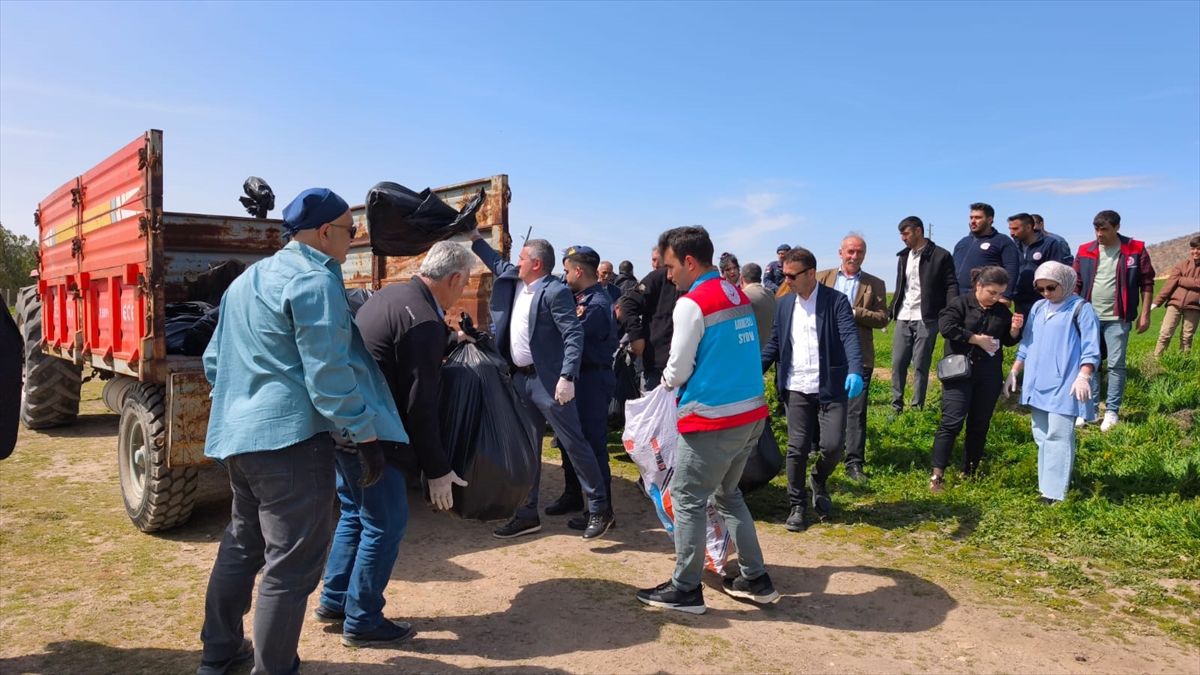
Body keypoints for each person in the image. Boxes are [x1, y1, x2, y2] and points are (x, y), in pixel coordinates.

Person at [198, 188, 410, 674]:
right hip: (291, 444)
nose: (353, 239)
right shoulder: (315, 282)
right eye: (348, 230)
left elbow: (215, 360)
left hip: (241, 438)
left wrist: (245, 402)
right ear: (322, 233)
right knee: (290, 568)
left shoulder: (248, 280)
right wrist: (365, 435)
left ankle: (220, 654)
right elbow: (329, 373)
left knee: (243, 545)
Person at [317, 241, 473, 646]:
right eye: (465, 283)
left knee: (354, 513)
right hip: (376, 438)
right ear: (454, 278)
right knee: (384, 526)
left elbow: (396, 353)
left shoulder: (393, 295)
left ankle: (335, 600)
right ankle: (363, 621)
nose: (463, 291)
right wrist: (437, 468)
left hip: (346, 428)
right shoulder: (423, 319)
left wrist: (450, 340)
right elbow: (420, 405)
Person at [636, 226, 778, 614]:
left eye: (669, 266)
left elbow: (679, 368)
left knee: (686, 498)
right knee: (728, 495)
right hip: (751, 415)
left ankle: (685, 588)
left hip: (713, 419)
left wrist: (663, 386)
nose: (668, 275)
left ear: (689, 262)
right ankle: (755, 578)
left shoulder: (692, 302)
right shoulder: (735, 292)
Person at [467, 229, 614, 539]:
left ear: (535, 264)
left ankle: (600, 508)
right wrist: (474, 238)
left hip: (548, 383)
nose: (514, 263)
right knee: (527, 449)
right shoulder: (516, 279)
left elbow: (573, 334)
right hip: (521, 380)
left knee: (575, 443)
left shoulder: (554, 291)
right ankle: (526, 513)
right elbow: (495, 261)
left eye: (521, 258)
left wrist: (567, 376)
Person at [762, 247, 865, 530]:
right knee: (796, 448)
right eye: (784, 276)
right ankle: (797, 505)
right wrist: (752, 372)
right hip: (795, 386)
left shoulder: (836, 302)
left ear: (810, 274)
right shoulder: (783, 305)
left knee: (833, 446)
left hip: (829, 386)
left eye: (792, 276)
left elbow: (849, 337)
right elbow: (774, 344)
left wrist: (855, 370)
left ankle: (818, 479)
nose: (787, 281)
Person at [1005, 261, 1100, 504]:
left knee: (1059, 434)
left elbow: (1091, 347)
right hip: (1038, 381)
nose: (1046, 293)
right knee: (1041, 434)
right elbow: (1028, 342)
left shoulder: (1081, 309)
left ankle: (1054, 493)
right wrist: (1015, 370)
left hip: (1065, 381)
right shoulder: (1038, 307)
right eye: (1041, 289)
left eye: (1051, 288)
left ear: (1066, 284)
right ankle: (1045, 486)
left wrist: (1084, 375)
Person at [929, 266, 1022, 492]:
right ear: (978, 286)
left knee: (979, 424)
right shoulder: (960, 304)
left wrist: (1014, 330)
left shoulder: (1001, 312)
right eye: (992, 292)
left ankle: (969, 472)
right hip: (959, 373)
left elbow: (1008, 342)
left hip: (988, 374)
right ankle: (937, 475)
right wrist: (974, 339)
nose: (996, 298)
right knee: (951, 422)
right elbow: (947, 327)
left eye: (1000, 293)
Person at [546, 246, 619, 531]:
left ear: (578, 271)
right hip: (577, 379)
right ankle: (573, 495)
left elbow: (568, 337)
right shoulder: (580, 298)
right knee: (568, 441)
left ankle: (603, 510)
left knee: (592, 445)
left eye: (565, 271)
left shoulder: (596, 305)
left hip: (591, 380)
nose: (563, 277)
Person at [1072, 210, 1155, 431]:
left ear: (1117, 227)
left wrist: (1145, 313)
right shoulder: (1085, 250)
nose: (1099, 234)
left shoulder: (1135, 249)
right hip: (1088, 317)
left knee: (1116, 365)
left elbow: (1147, 282)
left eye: (1104, 229)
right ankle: (1089, 410)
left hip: (1118, 317)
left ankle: (1111, 411)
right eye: (1096, 229)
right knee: (1091, 363)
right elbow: (1076, 282)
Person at [815, 233, 887, 483]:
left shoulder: (874, 283)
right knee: (821, 404)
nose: (854, 257)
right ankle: (821, 452)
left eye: (859, 252)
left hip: (859, 356)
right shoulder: (822, 278)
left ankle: (854, 462)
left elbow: (882, 319)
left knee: (856, 411)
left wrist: (854, 312)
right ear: (841, 252)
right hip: (825, 354)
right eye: (850, 252)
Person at [890, 216, 959, 414]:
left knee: (920, 363)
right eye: (901, 234)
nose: (903, 238)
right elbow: (900, 287)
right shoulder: (903, 256)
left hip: (927, 317)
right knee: (898, 362)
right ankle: (896, 406)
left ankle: (916, 406)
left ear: (919, 231)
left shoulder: (940, 255)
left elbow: (951, 284)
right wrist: (891, 309)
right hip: (904, 315)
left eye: (906, 233)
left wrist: (951, 310)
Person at [619, 254, 678, 391]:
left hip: (687, 368)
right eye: (653, 259)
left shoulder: (695, 281)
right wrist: (636, 336)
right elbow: (628, 304)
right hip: (656, 367)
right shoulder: (656, 278)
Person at [952, 202, 1019, 303]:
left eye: (978, 217)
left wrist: (1005, 295)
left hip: (986, 298)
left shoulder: (1002, 241)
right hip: (959, 298)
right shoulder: (963, 242)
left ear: (989, 219)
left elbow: (1012, 269)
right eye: (971, 217)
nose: (973, 221)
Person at [1008, 212, 1073, 316]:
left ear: (1029, 227)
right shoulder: (1013, 247)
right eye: (1010, 229)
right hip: (1019, 300)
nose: (1011, 233)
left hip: (1043, 299)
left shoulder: (1050, 243)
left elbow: (1056, 271)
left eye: (1015, 229)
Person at [1151, 236, 1200, 355]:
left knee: (1187, 338)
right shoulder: (1181, 265)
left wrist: (1181, 280)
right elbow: (1169, 284)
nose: (1195, 251)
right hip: (1175, 304)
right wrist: (1156, 302)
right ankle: (1155, 362)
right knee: (1165, 334)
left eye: (1198, 249)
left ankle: (1183, 363)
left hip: (1194, 307)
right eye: (1193, 248)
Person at [740, 262, 776, 346]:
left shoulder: (743, 296)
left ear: (741, 278)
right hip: (769, 347)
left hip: (751, 348)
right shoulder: (770, 294)